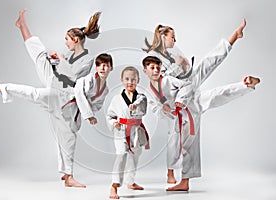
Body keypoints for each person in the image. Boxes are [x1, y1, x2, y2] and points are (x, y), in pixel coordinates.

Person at [143, 19, 261, 191]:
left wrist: (183, 66)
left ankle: (235, 39)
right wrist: (169, 105)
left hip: (186, 91)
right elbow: (159, 86)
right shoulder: (155, 59)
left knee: (209, 66)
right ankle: (245, 85)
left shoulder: (169, 56)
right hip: (181, 101)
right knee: (214, 96)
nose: (175, 40)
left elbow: (179, 75)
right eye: (172, 37)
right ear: (163, 37)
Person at [0, 53, 113, 188]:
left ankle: (67, 174)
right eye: (99, 65)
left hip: (70, 111)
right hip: (61, 98)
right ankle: (1, 87)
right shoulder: (87, 80)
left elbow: (97, 105)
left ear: (111, 68)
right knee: (35, 94)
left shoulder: (105, 89)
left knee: (68, 141)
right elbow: (79, 93)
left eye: (106, 65)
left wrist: (89, 111)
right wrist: (88, 115)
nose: (103, 68)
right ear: (96, 67)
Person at [142, 56, 195, 190]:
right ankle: (170, 172)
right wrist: (163, 109)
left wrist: (180, 99)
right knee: (172, 142)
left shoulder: (167, 79)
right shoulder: (148, 91)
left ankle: (185, 176)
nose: (155, 70)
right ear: (145, 71)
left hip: (183, 108)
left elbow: (186, 85)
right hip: (171, 115)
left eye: (158, 68)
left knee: (188, 143)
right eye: (152, 68)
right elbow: (154, 108)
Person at [107, 66, 150, 199]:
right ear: (121, 80)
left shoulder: (141, 97)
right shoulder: (116, 99)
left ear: (138, 80)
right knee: (122, 154)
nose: (130, 82)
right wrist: (113, 122)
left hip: (136, 131)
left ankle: (130, 182)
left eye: (133, 79)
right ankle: (114, 185)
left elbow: (142, 109)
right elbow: (110, 115)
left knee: (135, 156)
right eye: (127, 79)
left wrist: (135, 105)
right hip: (121, 131)